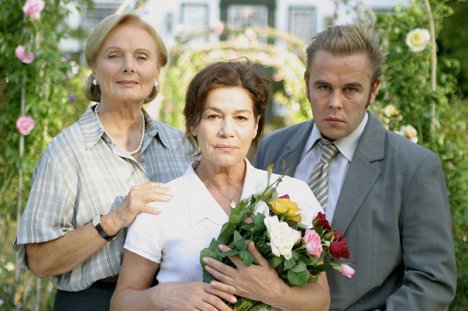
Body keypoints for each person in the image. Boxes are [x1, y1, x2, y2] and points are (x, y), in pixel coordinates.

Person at [254, 24, 457, 310]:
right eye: (323, 87)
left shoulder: (414, 168)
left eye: (350, 90)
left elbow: (433, 282)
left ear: (373, 90)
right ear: (307, 82)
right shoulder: (274, 148)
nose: (335, 103)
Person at [110, 61, 330, 311]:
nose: (227, 131)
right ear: (193, 124)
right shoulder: (160, 206)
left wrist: (274, 292)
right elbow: (121, 303)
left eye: (240, 118)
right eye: (214, 116)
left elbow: (321, 302)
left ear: (256, 125)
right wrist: (162, 295)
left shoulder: (294, 195)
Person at [13, 13, 194, 310]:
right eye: (114, 55)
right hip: (92, 301)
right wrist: (112, 221)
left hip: (168, 299)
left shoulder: (181, 147)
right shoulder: (66, 152)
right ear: (94, 67)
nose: (129, 67)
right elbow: (40, 262)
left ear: (157, 70)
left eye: (142, 57)